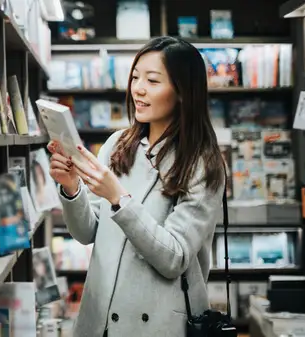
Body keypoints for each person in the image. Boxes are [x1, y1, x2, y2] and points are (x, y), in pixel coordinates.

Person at [47, 36, 226, 337]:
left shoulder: (203, 164)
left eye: (153, 81)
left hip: (158, 324)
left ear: (183, 91)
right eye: (135, 77)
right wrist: (71, 188)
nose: (138, 89)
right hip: (99, 318)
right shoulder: (117, 145)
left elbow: (174, 258)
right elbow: (86, 232)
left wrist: (118, 198)